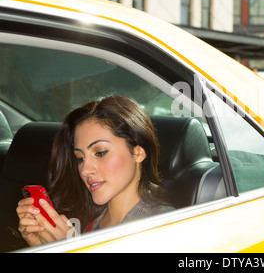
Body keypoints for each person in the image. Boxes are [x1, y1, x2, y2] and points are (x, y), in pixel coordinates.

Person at [16, 95, 173, 247]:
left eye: (100, 153)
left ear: (138, 153)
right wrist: (40, 247)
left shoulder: (167, 228)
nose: (85, 170)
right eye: (80, 158)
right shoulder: (82, 221)